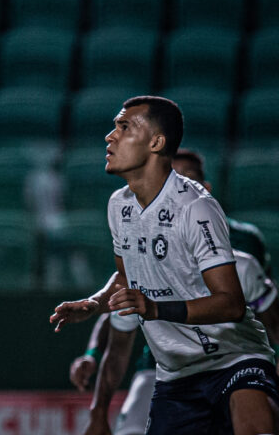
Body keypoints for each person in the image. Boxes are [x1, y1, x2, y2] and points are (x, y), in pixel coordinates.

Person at [50, 96, 279, 435]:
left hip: (235, 358)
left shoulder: (196, 208)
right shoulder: (118, 206)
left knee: (253, 426)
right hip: (176, 374)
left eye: (124, 127)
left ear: (156, 142)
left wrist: (156, 308)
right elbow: (127, 277)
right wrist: (94, 304)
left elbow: (231, 303)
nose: (109, 137)